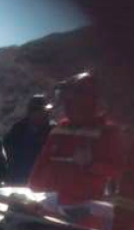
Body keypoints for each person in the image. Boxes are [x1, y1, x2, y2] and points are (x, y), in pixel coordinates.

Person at [27, 72, 127, 209]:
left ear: (86, 101)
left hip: (89, 208)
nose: (66, 106)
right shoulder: (60, 129)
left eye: (70, 101)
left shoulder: (107, 132)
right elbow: (41, 166)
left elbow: (119, 170)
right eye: (65, 101)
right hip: (53, 204)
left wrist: (92, 164)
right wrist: (32, 191)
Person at [3, 94, 54, 185]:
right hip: (18, 179)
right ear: (31, 112)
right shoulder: (18, 129)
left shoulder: (53, 131)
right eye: (41, 111)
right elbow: (7, 152)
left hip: (42, 182)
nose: (44, 114)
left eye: (46, 111)